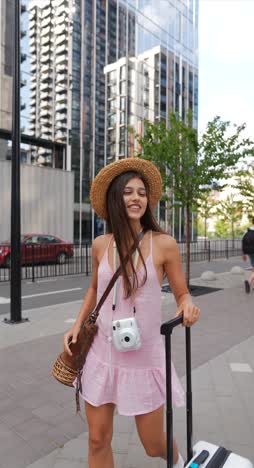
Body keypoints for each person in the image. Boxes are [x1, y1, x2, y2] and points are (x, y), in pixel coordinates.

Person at [63, 158, 200, 468]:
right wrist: (76, 325)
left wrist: (187, 305)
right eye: (128, 191)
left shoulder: (164, 244)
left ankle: (178, 463)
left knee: (153, 445)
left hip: (144, 357)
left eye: (141, 192)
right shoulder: (100, 244)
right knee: (97, 439)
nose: (136, 198)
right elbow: (94, 290)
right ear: (115, 198)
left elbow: (181, 292)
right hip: (101, 354)